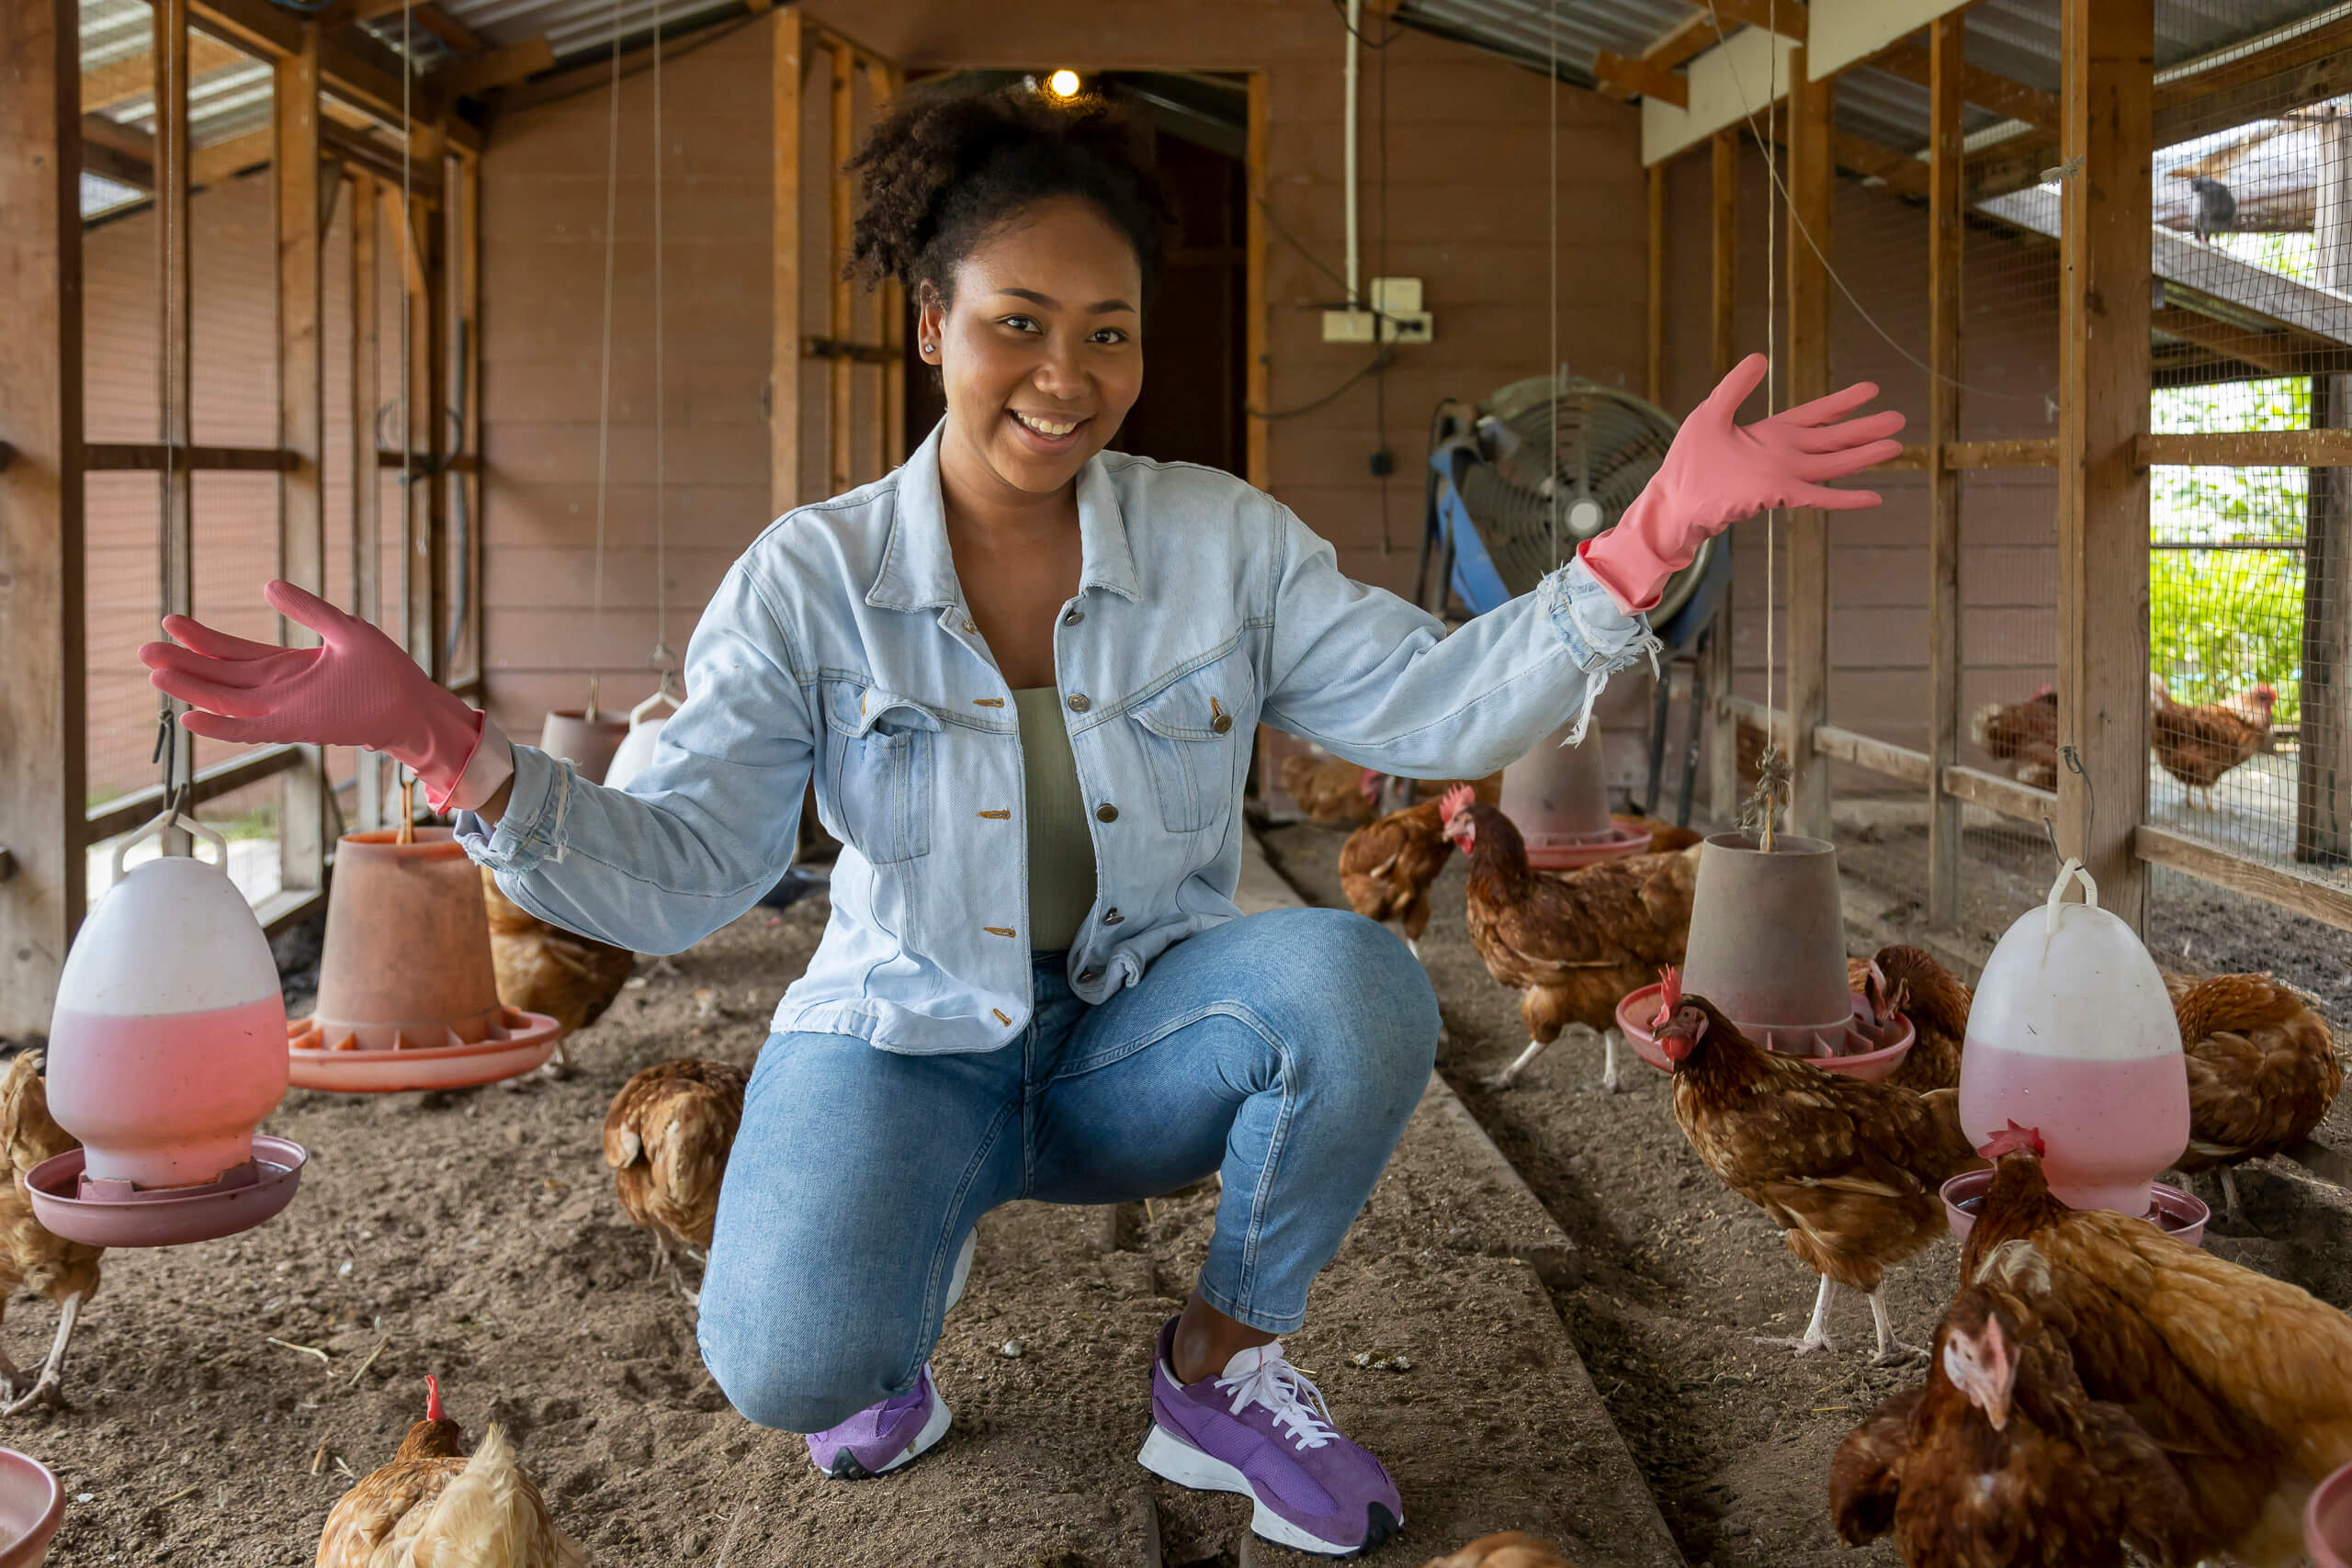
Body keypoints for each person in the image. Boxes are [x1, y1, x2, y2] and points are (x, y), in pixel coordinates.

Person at [142, 85, 1902, 1558]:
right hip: (906, 1032)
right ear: (933, 327)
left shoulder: (1220, 539)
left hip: (1146, 1027)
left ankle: (1211, 1371)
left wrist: (1646, 540)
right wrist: (454, 751)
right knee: (784, 1364)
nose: (1066, 375)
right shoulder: (811, 581)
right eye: (1018, 324)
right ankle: (884, 1342)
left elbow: (1436, 706)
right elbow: (686, 878)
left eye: (1109, 330)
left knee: (1357, 990)